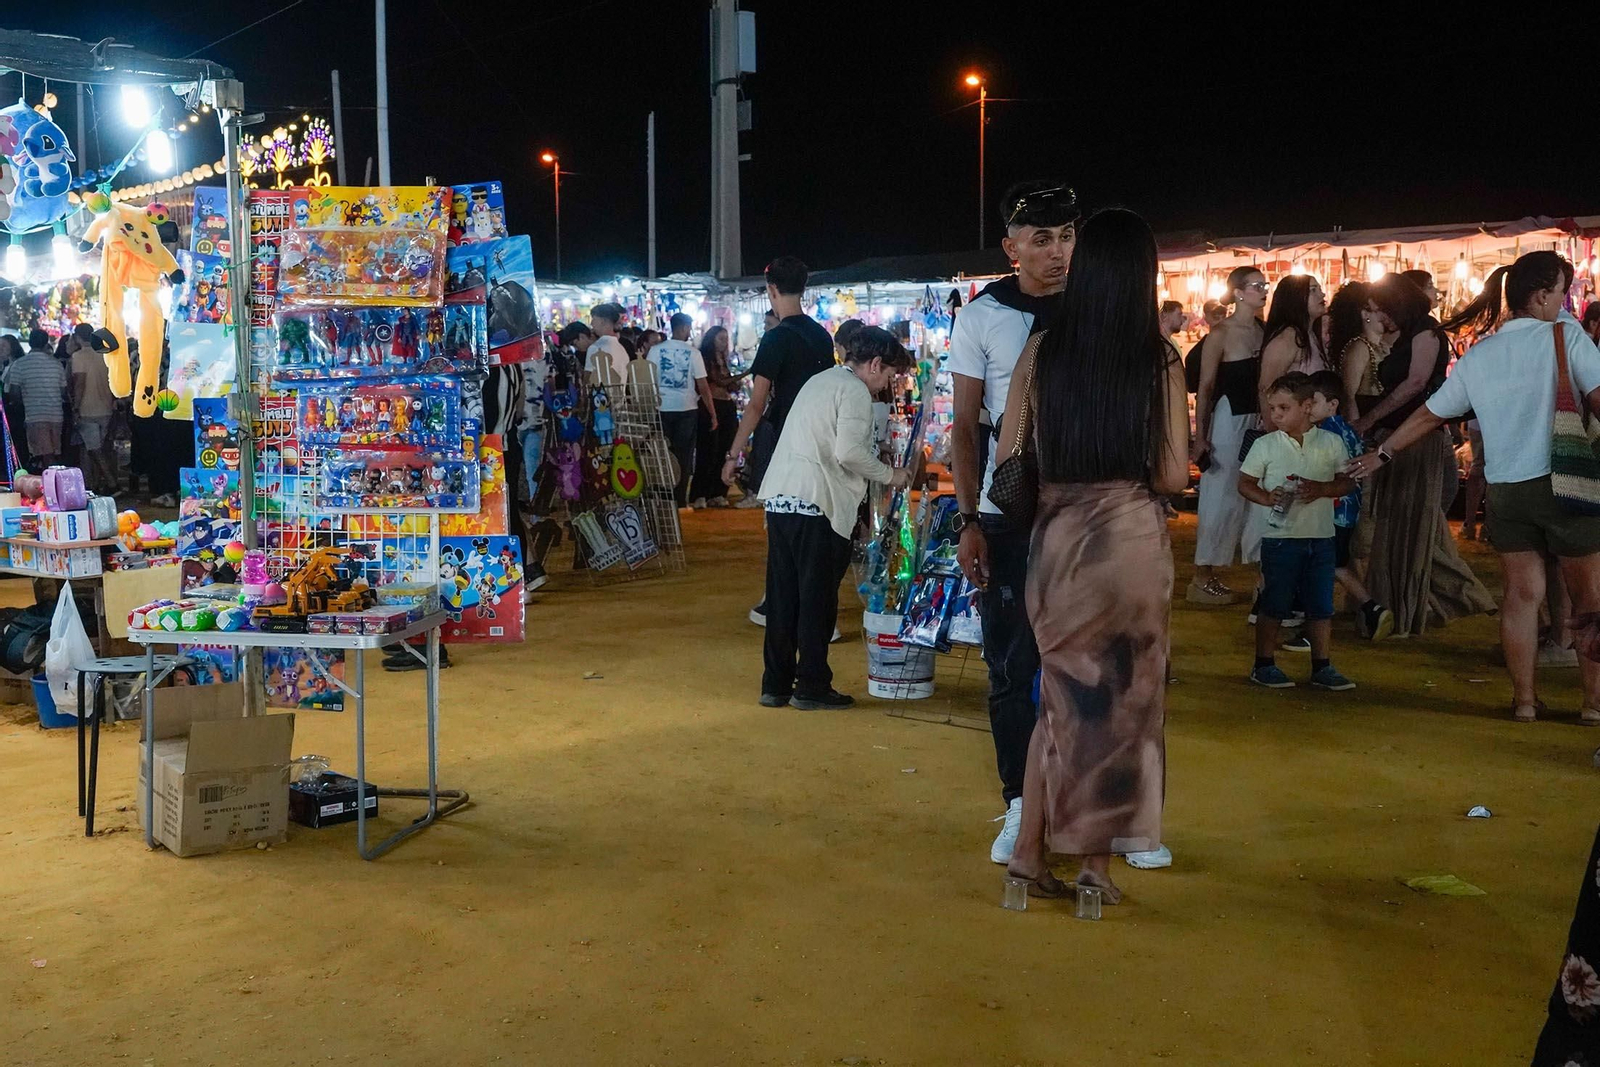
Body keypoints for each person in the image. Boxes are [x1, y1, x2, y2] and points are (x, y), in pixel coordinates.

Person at [998, 207, 1189, 903]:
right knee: (1124, 709)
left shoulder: (1042, 350)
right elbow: (1171, 476)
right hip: (1129, 540)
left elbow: (1006, 456)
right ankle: (1094, 871)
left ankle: (1026, 858)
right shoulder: (1157, 358)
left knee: (1059, 703)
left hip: (1056, 539)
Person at [1350, 251, 1600, 722]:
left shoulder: (1482, 353)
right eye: (1562, 291)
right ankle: (1592, 705)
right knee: (1589, 601)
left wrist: (1382, 453)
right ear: (1543, 294)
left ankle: (1524, 700)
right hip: (1565, 483)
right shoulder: (1566, 338)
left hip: (1506, 490)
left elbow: (1429, 413)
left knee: (1520, 596)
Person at [947, 179, 1078, 866]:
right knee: (1011, 661)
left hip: (1088, 509)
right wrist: (969, 517)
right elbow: (963, 427)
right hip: (1007, 513)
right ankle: (1019, 802)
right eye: (1041, 239)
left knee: (1093, 662)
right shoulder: (983, 316)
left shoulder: (1097, 307)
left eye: (1065, 237)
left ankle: (1094, 808)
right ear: (1012, 246)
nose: (1057, 252)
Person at [757, 326, 914, 710]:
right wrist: (891, 474)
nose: (887, 385)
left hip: (782, 497)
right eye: (890, 376)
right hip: (817, 502)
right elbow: (849, 453)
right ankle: (811, 683)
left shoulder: (822, 380)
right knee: (816, 598)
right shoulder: (856, 391)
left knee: (783, 596)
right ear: (875, 364)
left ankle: (776, 683)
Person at [1352, 274, 1493, 636]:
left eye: (1377, 309)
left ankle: (1414, 605)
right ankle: (1404, 603)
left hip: (1416, 438)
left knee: (1413, 524)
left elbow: (1415, 384)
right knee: (1400, 523)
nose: (1374, 316)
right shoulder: (1403, 335)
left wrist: (1371, 417)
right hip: (1399, 436)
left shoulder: (1426, 333)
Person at [723, 258, 838, 630]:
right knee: (813, 527)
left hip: (782, 444)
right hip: (820, 441)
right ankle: (806, 609)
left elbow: (757, 405)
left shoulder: (776, 338)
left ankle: (781, 605)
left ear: (771, 290)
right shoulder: (821, 335)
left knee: (781, 527)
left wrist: (733, 453)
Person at [1238, 373, 1358, 690]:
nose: (1275, 415)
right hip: (1279, 539)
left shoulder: (1331, 442)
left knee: (1321, 605)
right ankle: (1263, 664)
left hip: (1320, 537)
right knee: (1274, 602)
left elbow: (1347, 481)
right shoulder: (1265, 444)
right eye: (1273, 408)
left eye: (1283, 408)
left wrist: (1323, 488)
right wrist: (1266, 497)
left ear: (1306, 407)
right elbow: (1245, 483)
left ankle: (1322, 665)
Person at [1189, 265, 1269, 604]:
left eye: (1264, 285)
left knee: (1256, 496)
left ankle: (1257, 573)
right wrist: (1200, 436)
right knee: (1220, 497)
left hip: (1259, 419)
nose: (1263, 290)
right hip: (1228, 419)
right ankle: (1203, 574)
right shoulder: (1220, 334)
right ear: (1237, 291)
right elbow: (1205, 388)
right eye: (1256, 285)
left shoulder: (1265, 331)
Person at [1305, 370, 1395, 639]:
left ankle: (1315, 629)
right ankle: (1372, 609)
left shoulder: (1324, 433)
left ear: (1332, 404)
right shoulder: (1347, 429)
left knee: (1321, 567)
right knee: (1337, 565)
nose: (1307, 407)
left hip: (1332, 510)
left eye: (1313, 402)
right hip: (1347, 510)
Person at [648, 313, 715, 509]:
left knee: (662, 454)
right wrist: (712, 413)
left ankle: (663, 497)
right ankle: (679, 499)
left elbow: (649, 380)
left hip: (661, 408)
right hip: (686, 408)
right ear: (685, 327)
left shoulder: (655, 351)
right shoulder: (693, 353)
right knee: (684, 456)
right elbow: (702, 386)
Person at [4, 328, 68, 468]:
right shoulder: (56, 364)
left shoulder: (20, 364)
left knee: (45, 454)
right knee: (53, 452)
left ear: (30, 342)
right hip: (56, 415)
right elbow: (63, 391)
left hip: (35, 415)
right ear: (46, 343)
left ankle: (50, 485)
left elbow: (14, 393)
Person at [690, 325, 739, 508]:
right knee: (708, 450)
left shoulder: (723, 359)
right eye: (720, 338)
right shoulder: (705, 359)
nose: (724, 342)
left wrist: (734, 384)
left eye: (726, 338)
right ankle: (700, 492)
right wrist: (745, 373)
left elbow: (726, 383)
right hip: (712, 405)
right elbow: (719, 381)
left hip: (726, 405)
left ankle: (717, 492)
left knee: (724, 450)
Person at [1258, 275, 1330, 400]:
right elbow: (1267, 389)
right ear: (1294, 298)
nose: (1322, 295)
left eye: (1319, 289)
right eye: (1313, 290)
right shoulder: (1288, 338)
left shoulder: (1311, 334)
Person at [1326, 281, 1385, 423]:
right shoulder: (1359, 347)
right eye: (1380, 310)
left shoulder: (1379, 345)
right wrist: (1356, 432)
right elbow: (1348, 396)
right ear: (1365, 314)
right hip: (1366, 421)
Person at [70, 324, 118, 493]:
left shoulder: (78, 357)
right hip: (105, 407)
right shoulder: (104, 355)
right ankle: (94, 484)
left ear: (77, 338)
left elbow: (80, 384)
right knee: (96, 448)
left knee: (94, 449)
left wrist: (75, 407)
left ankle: (112, 483)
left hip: (87, 409)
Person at [585, 303, 631, 381]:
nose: (591, 323)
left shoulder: (596, 348)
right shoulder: (621, 349)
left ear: (602, 321)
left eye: (594, 319)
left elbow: (587, 380)